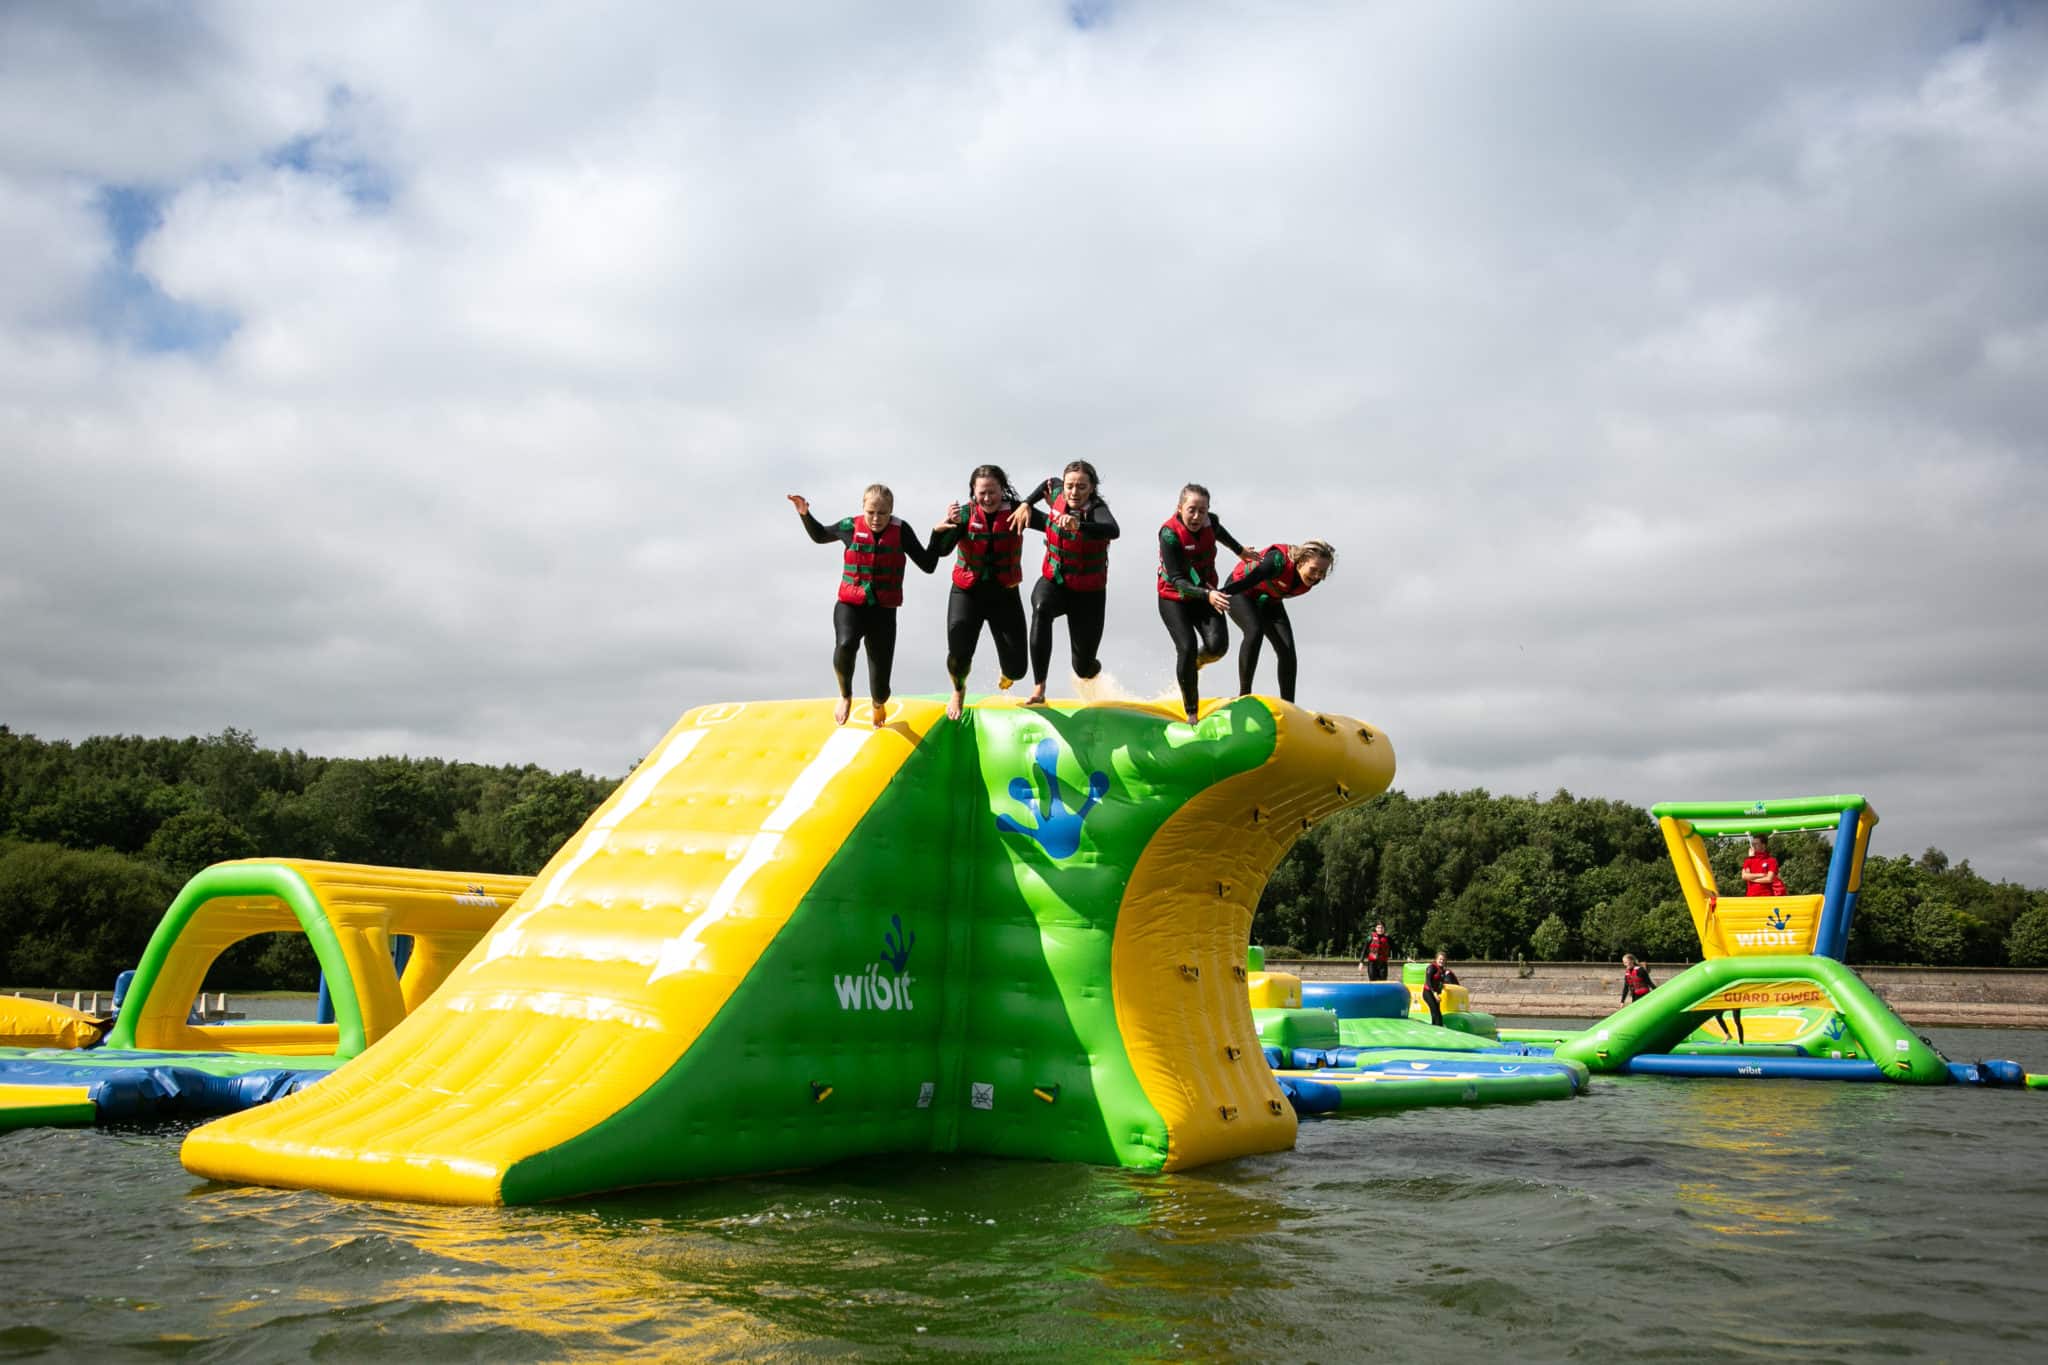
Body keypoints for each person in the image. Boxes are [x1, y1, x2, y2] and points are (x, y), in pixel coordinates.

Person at [789, 485, 940, 726]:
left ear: (891, 511)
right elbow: (820, 536)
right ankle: (845, 695)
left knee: (880, 687)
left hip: (883, 612)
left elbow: (927, 564)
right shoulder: (850, 526)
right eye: (871, 512)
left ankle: (878, 704)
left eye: (883, 513)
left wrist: (937, 534)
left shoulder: (901, 531)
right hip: (851, 605)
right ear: (863, 508)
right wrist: (805, 514)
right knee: (846, 644)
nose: (876, 518)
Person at [929, 465, 1040, 721]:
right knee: (958, 654)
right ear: (973, 492)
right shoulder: (965, 515)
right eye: (982, 493)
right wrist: (947, 527)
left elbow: (1054, 524)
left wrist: (1077, 527)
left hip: (1004, 593)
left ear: (1002, 490)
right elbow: (941, 551)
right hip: (967, 592)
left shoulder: (1017, 511)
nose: (988, 498)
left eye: (992, 492)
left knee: (1018, 669)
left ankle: (1007, 672)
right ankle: (958, 690)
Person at [1013, 461, 1120, 705]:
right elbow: (1047, 484)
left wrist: (1079, 524)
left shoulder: (1097, 510)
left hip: (1088, 594)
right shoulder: (1060, 492)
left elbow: (1113, 530)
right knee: (1041, 609)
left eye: (1082, 487)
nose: (1074, 492)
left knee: (1083, 668)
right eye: (1070, 486)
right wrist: (1026, 503)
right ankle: (1039, 688)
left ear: (1091, 488)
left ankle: (1094, 671)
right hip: (1056, 582)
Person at [1155, 483, 1256, 723]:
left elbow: (1221, 534)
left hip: (1206, 594)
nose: (1197, 516)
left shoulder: (1211, 522)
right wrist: (1207, 595)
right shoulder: (1168, 534)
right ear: (1179, 508)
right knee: (1187, 649)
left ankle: (1196, 663)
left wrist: (1240, 551)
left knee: (1217, 647)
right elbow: (1178, 579)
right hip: (1174, 597)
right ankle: (1191, 712)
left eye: (1202, 511)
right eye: (1191, 510)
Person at [1223, 540, 1336, 702]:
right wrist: (1214, 595)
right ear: (1302, 561)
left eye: (1322, 572)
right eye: (1314, 570)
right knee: (1254, 631)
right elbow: (1248, 582)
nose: (1317, 576)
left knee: (1287, 650)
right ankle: (1244, 695)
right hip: (1239, 590)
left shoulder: (1312, 578)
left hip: (1269, 599)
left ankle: (1289, 705)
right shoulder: (1277, 561)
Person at [1422, 950, 1458, 1028]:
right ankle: (1437, 1027)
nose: (1442, 961)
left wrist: (1439, 992)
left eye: (1443, 960)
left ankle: (1435, 1027)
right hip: (1428, 992)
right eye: (1440, 959)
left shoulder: (1442, 970)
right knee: (1435, 1011)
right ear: (1436, 959)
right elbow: (1428, 981)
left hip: (1435, 993)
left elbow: (1440, 983)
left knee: (1437, 1012)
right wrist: (1434, 993)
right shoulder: (1431, 967)